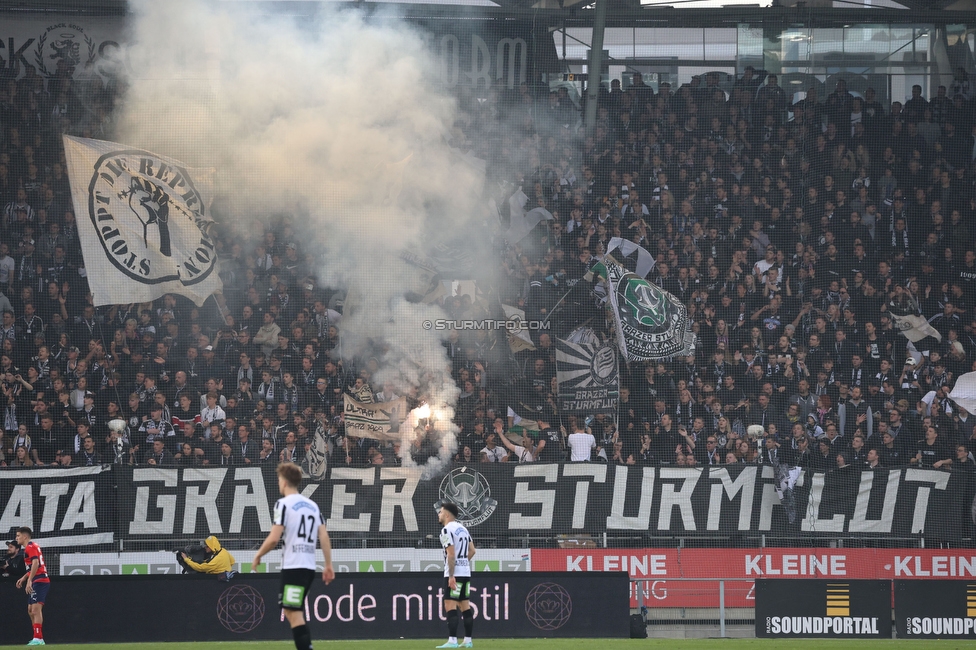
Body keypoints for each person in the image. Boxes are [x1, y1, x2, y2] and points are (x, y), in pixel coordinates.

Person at [251, 463, 334, 650]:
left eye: (279, 479)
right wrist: (328, 565)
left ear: (285, 481)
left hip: (294, 567)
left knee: (293, 612)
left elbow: (274, 538)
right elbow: (324, 537)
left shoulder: (283, 504)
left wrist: (258, 555)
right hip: (308, 567)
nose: (279, 482)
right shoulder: (312, 506)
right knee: (292, 611)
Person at [436, 501, 476, 649]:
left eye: (440, 512)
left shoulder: (446, 530)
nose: (439, 514)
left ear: (447, 514)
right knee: (465, 606)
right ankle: (468, 640)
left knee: (450, 605)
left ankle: (452, 640)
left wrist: (452, 576)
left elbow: (451, 555)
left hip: (453, 574)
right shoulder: (463, 529)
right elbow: (472, 551)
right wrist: (463, 563)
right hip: (465, 572)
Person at [14, 527, 49, 646]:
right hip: (36, 579)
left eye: (18, 535)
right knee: (30, 610)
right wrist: (24, 578)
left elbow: (36, 563)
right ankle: (38, 637)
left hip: (40, 580)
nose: (16, 538)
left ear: (25, 536)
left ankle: (38, 638)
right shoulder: (29, 548)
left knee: (35, 609)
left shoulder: (30, 546)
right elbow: (32, 567)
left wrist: (29, 580)